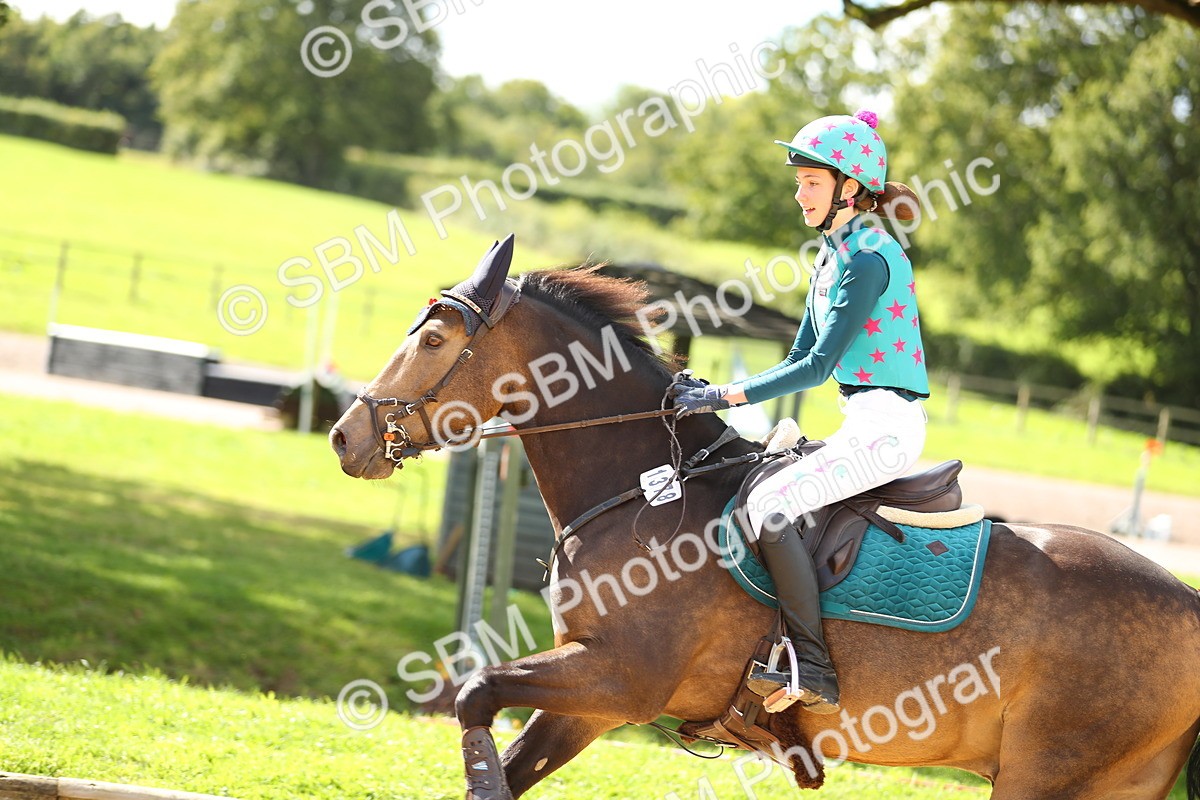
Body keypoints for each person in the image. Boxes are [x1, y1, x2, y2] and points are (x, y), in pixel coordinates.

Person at [672, 109, 929, 715]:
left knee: (769, 505)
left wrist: (721, 397)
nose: (799, 193)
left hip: (889, 429)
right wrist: (723, 395)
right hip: (861, 419)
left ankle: (813, 667)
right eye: (799, 182)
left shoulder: (867, 258)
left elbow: (815, 369)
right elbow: (798, 354)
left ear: (849, 188)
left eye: (811, 182)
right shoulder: (832, 255)